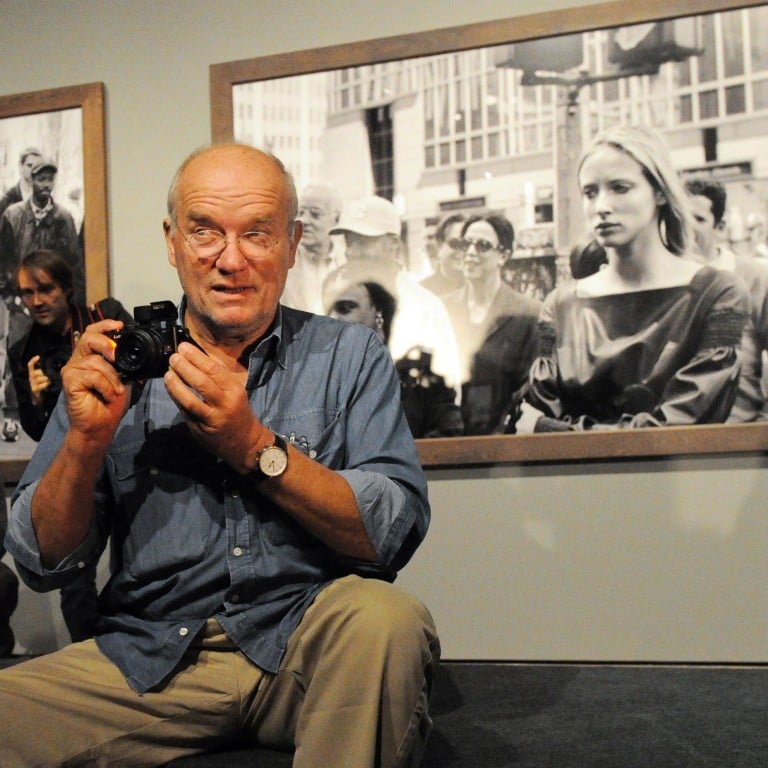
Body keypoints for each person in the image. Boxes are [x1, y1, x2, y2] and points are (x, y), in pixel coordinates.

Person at [0, 144, 439, 768]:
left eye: (256, 233)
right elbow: (40, 563)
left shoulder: (348, 355)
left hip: (307, 645)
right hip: (149, 655)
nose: (230, 260)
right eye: (205, 231)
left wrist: (253, 446)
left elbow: (390, 533)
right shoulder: (113, 365)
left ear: (291, 244)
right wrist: (83, 444)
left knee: (386, 619)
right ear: (173, 242)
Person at [523, 125, 748, 433]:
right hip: (569, 479)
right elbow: (536, 417)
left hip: (674, 478)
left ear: (659, 191)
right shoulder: (561, 304)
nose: (601, 206)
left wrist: (555, 430)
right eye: (590, 192)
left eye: (620, 188)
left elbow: (681, 426)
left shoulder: (717, 293)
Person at [6, 250, 132, 644]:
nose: (37, 301)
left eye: (46, 289)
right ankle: (94, 662)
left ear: (66, 288)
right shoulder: (22, 350)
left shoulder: (103, 317)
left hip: (128, 454)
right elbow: (38, 431)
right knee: (74, 581)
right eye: (28, 293)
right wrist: (39, 402)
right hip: (78, 466)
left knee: (137, 563)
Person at [325, 194, 462, 389]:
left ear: (393, 245)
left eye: (363, 242)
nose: (353, 252)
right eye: (349, 242)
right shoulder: (336, 306)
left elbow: (448, 388)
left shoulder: (425, 307)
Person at [442, 212, 541, 435]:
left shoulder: (528, 314)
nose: (470, 253)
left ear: (503, 255)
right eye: (465, 244)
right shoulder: (442, 310)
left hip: (505, 444)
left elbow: (530, 392)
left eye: (482, 246)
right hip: (448, 442)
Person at [328, 280, 463, 438]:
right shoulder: (313, 391)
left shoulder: (424, 389)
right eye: (329, 311)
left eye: (345, 308)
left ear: (379, 315)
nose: (332, 317)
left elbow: (446, 445)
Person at [686, 179, 768, 422]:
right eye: (679, 216)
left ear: (720, 226)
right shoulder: (661, 280)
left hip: (741, 430)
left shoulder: (754, 276)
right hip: (678, 432)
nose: (687, 227)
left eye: (698, 219)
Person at [0, 156, 85, 306]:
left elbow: (75, 264)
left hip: (55, 303)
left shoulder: (64, 218)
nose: (46, 185)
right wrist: (9, 297)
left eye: (50, 179)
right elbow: (3, 259)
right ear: (32, 180)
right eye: (42, 179)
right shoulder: (13, 215)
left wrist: (72, 301)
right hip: (21, 304)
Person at [280, 181, 343, 315]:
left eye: (315, 214)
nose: (304, 221)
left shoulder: (347, 262)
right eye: (301, 213)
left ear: (336, 219)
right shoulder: (281, 263)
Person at [420, 212, 466, 297]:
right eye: (454, 244)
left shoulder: (477, 289)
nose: (461, 251)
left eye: (465, 245)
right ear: (439, 245)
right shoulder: (421, 292)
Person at [0, 146, 42, 221]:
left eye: (37, 167)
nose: (33, 171)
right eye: (29, 165)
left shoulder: (44, 197)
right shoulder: (7, 200)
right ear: (20, 166)